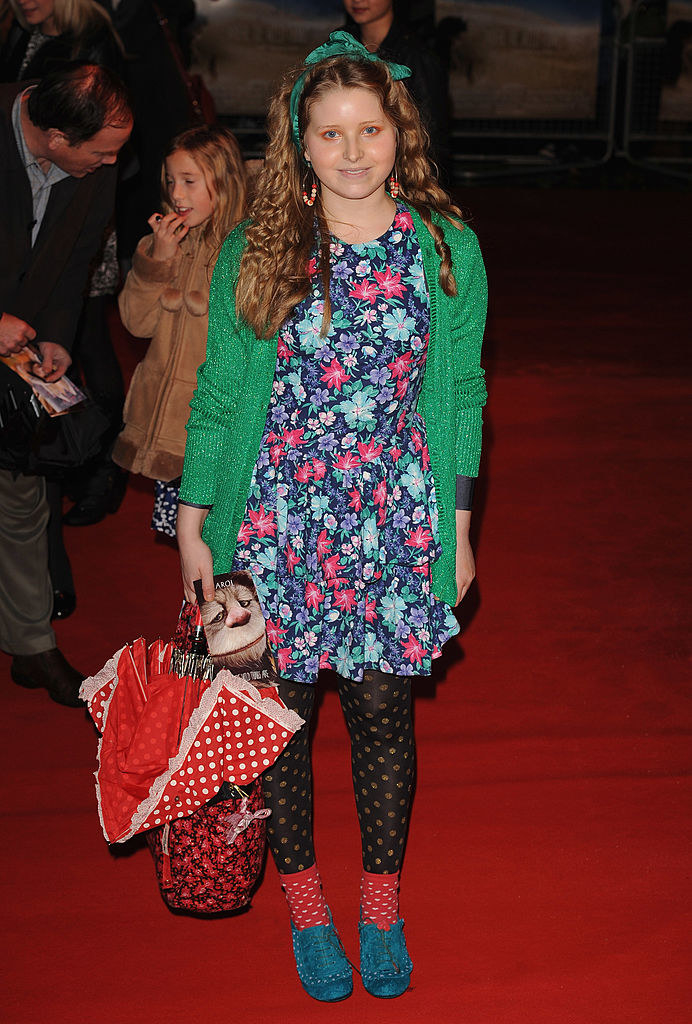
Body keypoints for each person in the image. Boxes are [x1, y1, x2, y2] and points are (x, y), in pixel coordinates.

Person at [177, 30, 487, 1002]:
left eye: (369, 128)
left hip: (391, 523)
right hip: (278, 524)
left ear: (398, 130)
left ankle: (380, 901)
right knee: (284, 724)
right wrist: (194, 525)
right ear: (298, 145)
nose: (353, 151)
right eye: (328, 133)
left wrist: (461, 526)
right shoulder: (261, 251)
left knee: (384, 719)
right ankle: (306, 905)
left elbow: (461, 392)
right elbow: (222, 394)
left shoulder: (446, 249)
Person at [0, 63, 132, 706]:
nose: (112, 166)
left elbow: (77, 255)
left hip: (17, 349)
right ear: (53, 135)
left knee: (24, 495)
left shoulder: (90, 168)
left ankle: (30, 644)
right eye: (101, 152)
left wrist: (56, 332)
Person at [113, 124, 247, 539]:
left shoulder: (245, 250)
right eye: (171, 181)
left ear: (223, 183)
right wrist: (158, 261)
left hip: (215, 431)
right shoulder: (165, 243)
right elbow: (137, 323)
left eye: (190, 181)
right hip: (169, 428)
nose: (177, 194)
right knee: (187, 551)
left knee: (224, 548)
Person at [342, 0, 451, 181]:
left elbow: (432, 139)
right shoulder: (339, 45)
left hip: (403, 179)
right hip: (348, 170)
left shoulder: (416, 56)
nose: (357, 0)